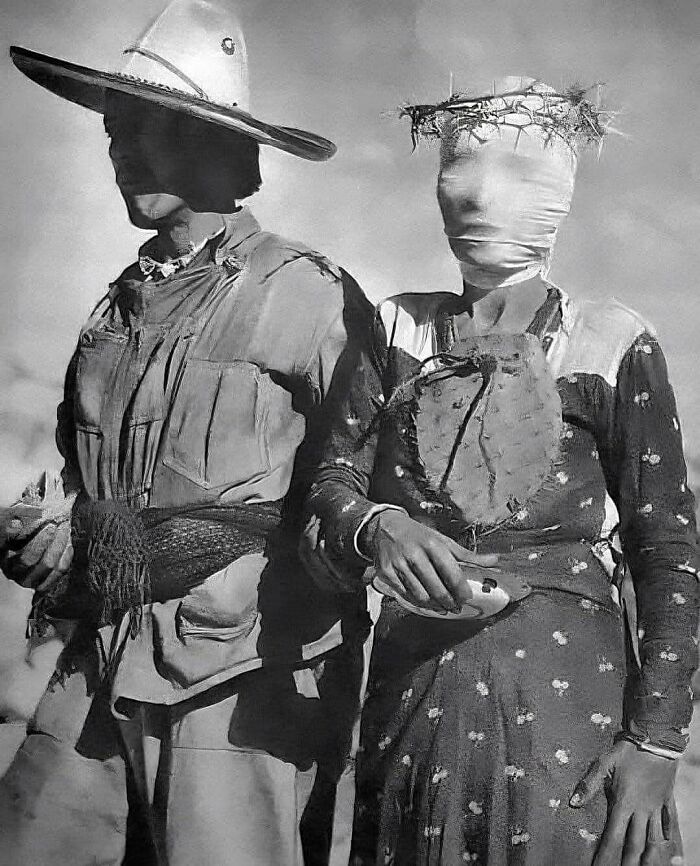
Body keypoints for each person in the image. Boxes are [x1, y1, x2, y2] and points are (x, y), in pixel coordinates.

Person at [0, 2, 372, 864]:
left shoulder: (305, 291)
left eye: (148, 129)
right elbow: (80, 485)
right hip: (100, 651)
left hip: (241, 669)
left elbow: (362, 477)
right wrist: (49, 541)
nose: (121, 150)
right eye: (114, 131)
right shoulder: (113, 310)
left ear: (218, 148)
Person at [301, 78, 699, 865]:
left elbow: (668, 551)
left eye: (511, 175)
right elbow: (330, 480)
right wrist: (379, 524)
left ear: (556, 195)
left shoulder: (610, 342)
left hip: (568, 697)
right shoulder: (399, 327)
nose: (476, 195)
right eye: (461, 170)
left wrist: (656, 742)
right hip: (418, 688)